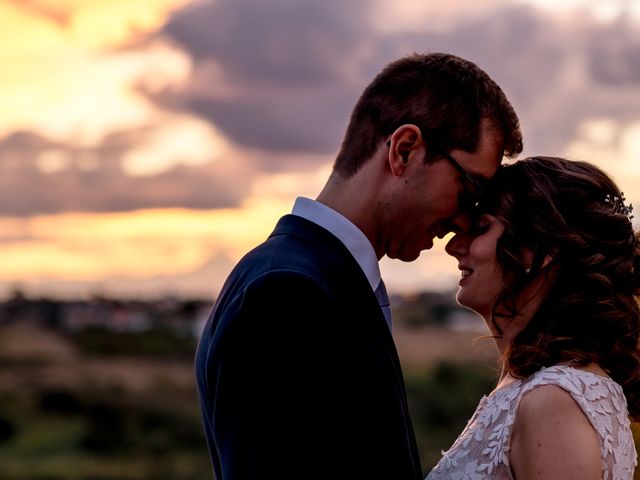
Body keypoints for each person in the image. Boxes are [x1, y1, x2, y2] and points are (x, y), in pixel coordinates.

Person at [195, 52, 522, 480]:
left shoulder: (311, 277)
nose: (464, 221)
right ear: (404, 150)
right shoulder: (287, 293)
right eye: (470, 187)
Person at [431, 156, 639, 479]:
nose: (454, 246)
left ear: (538, 251)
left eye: (482, 228)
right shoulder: (535, 388)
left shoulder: (553, 401)